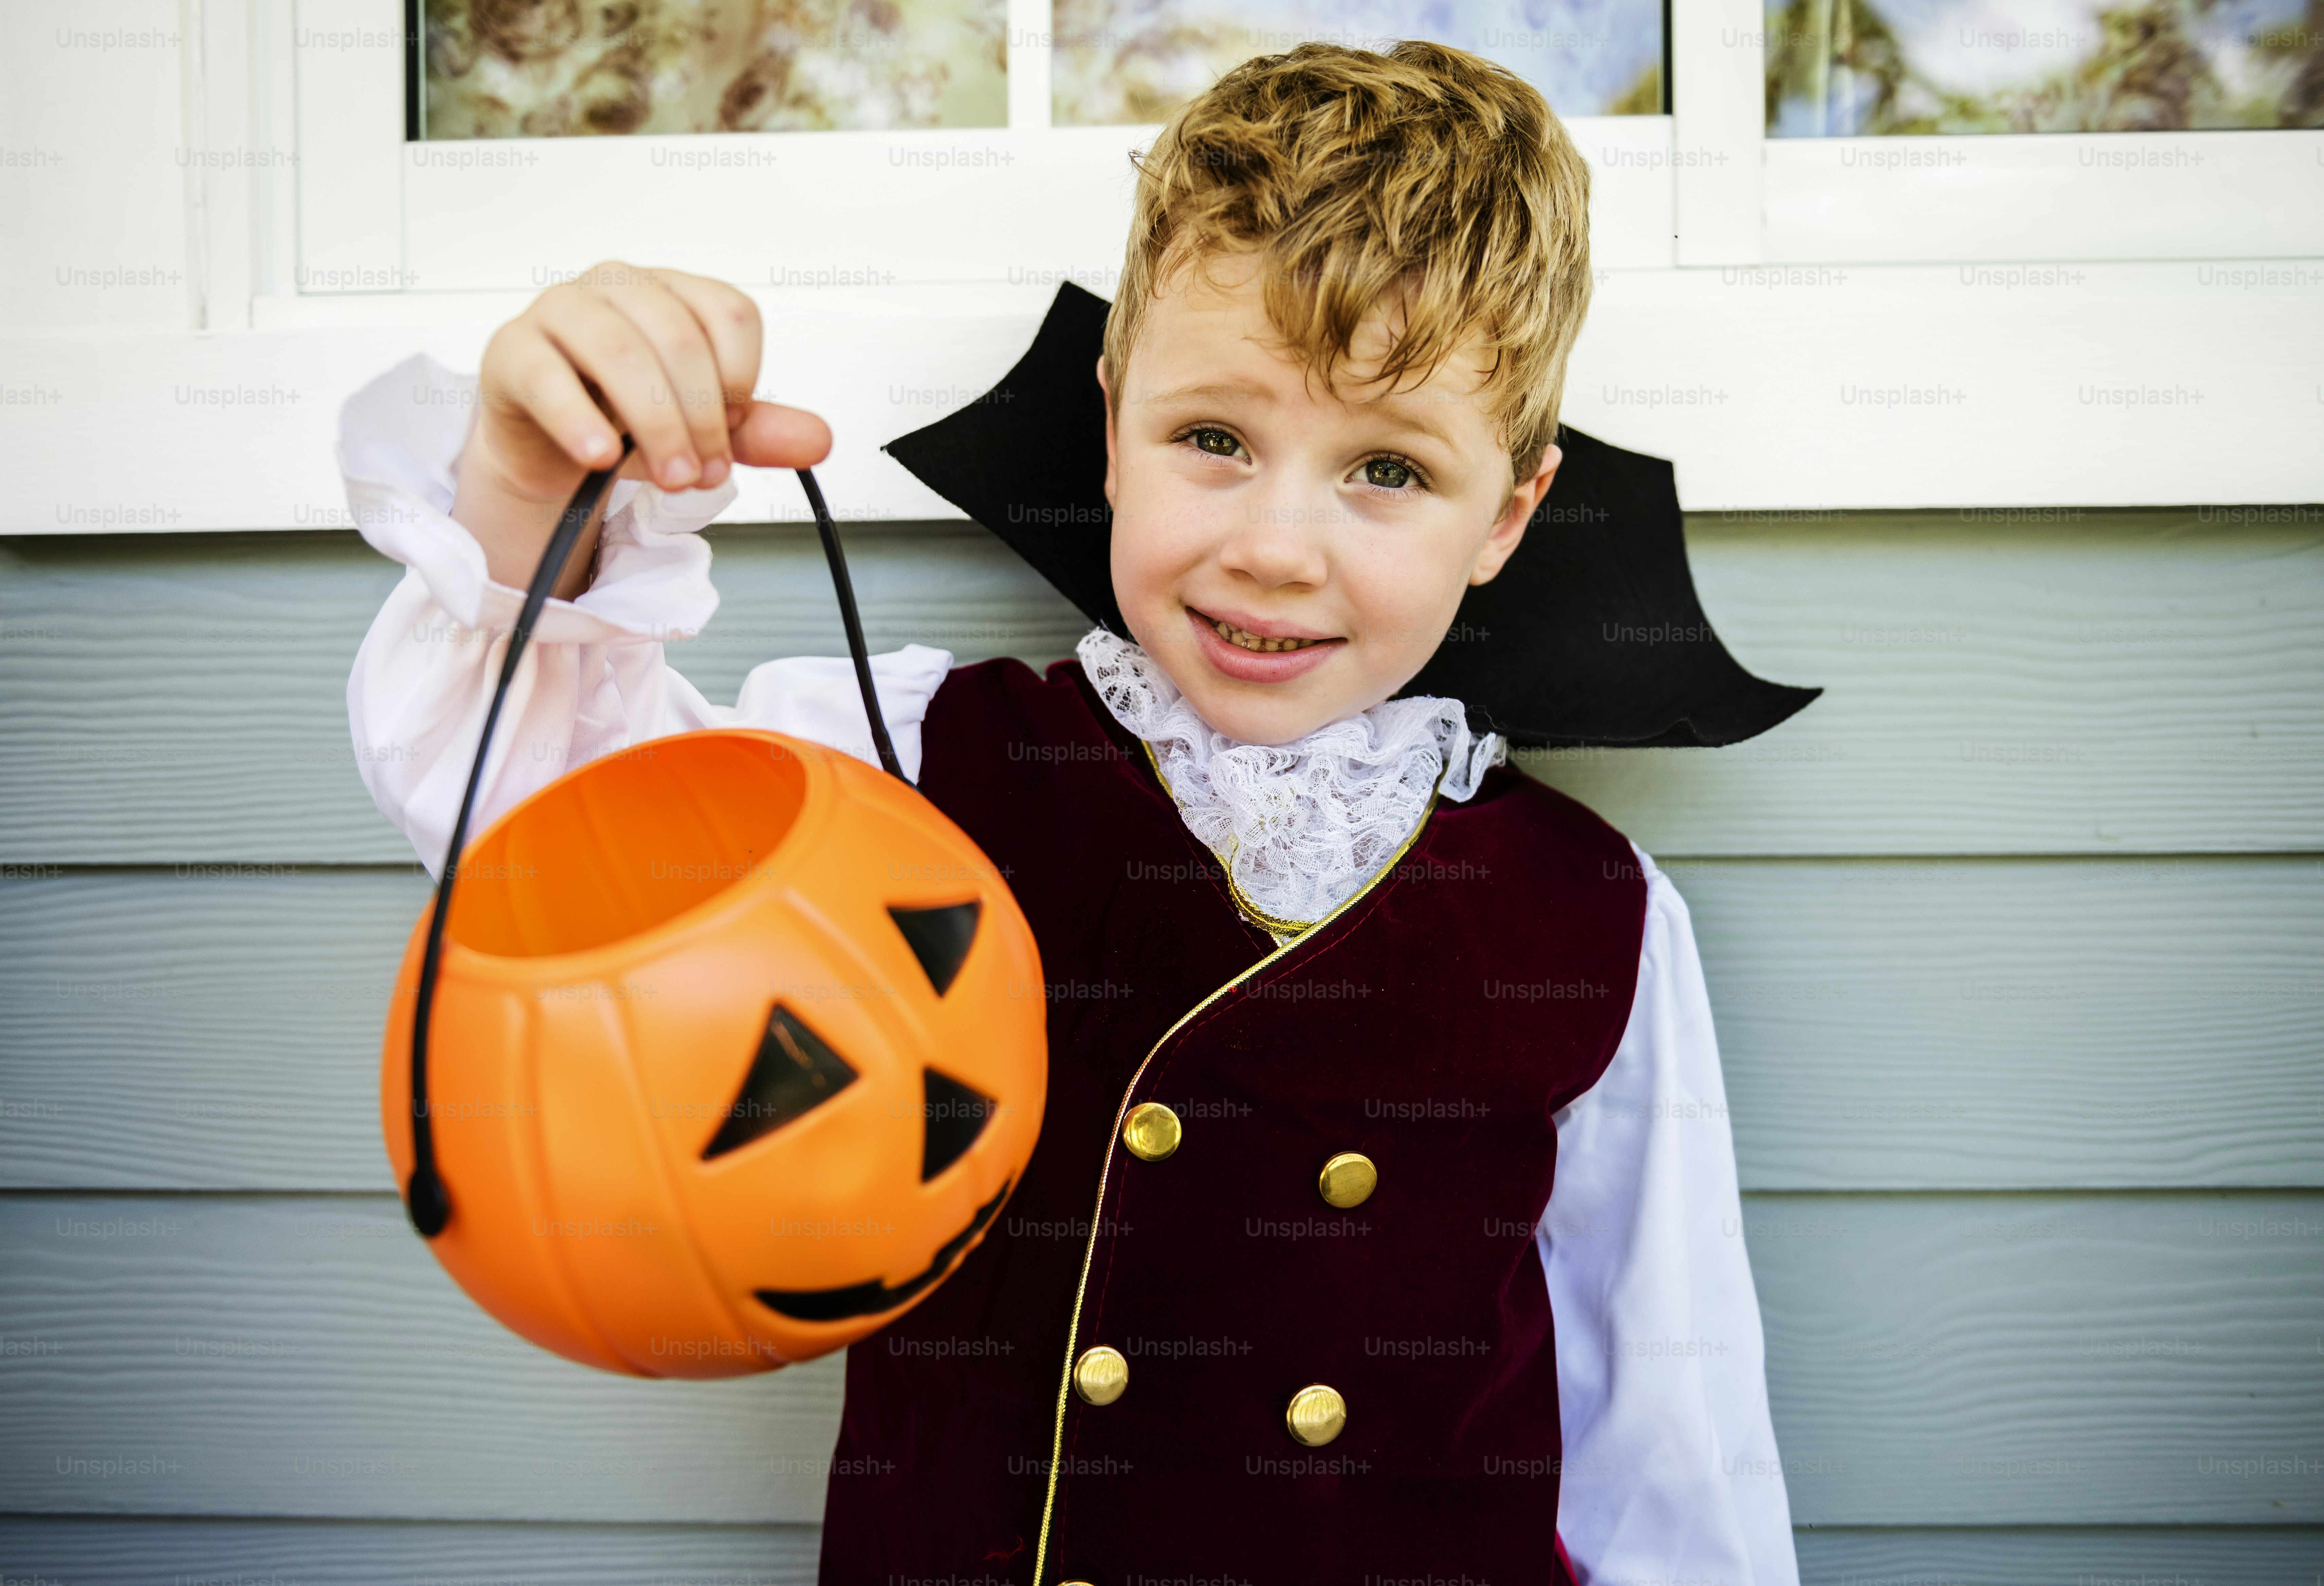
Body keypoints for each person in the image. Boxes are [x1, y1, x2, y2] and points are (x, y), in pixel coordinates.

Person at [342, 40, 1800, 1586]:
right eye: (1214, 441)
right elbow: (540, 825)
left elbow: (1668, 1424)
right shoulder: (908, 757)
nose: (1277, 549)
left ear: (1505, 512)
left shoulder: (1595, 917)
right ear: (1109, 424)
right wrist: (527, 478)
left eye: (1384, 468)